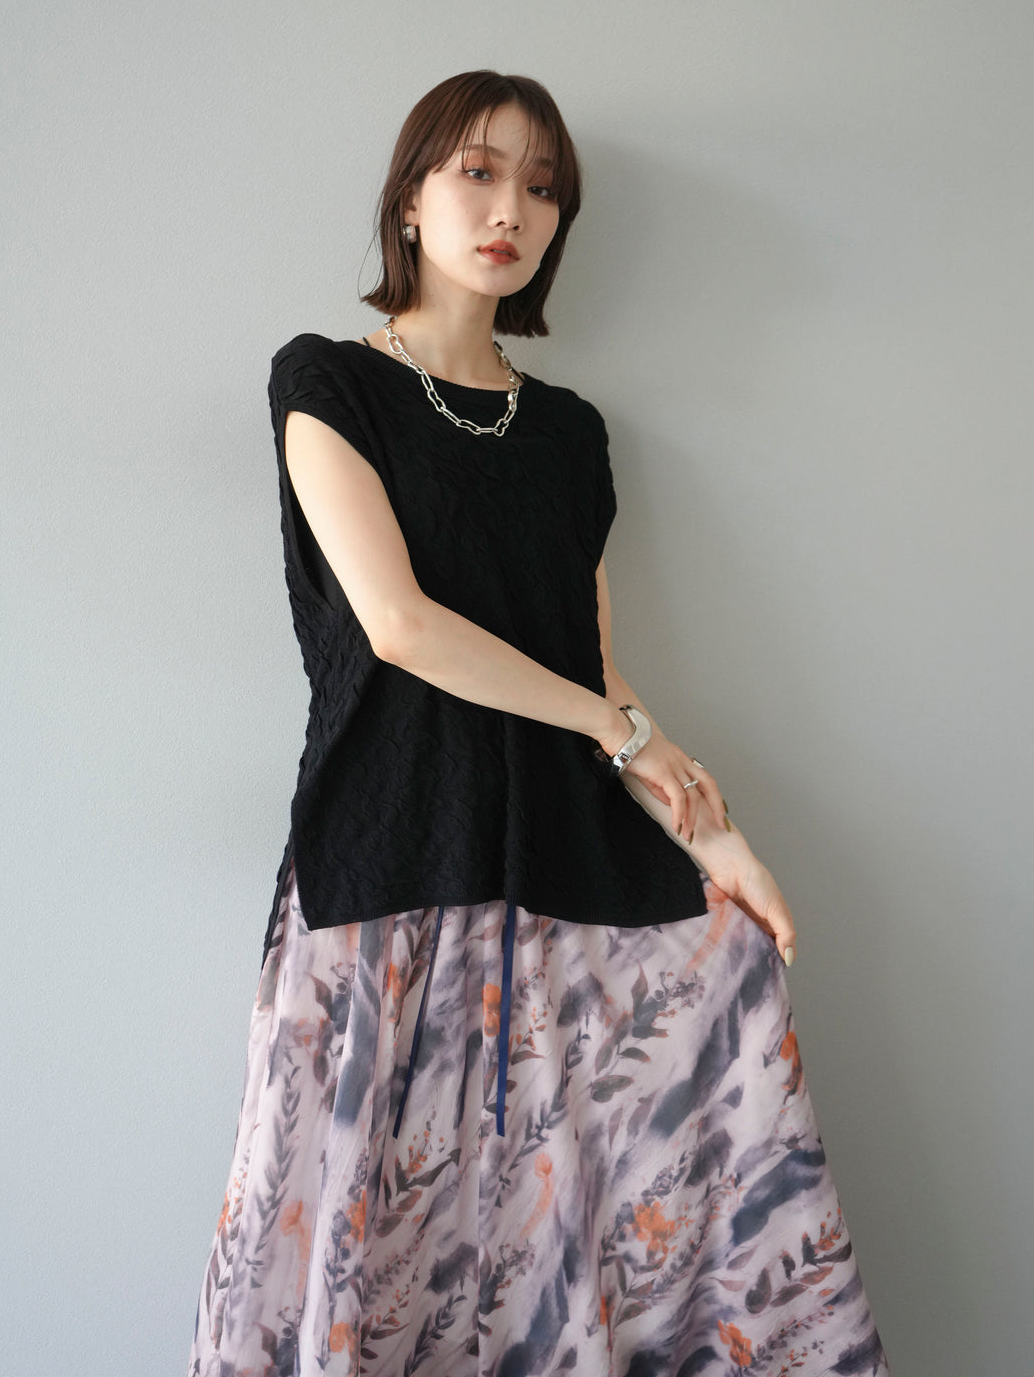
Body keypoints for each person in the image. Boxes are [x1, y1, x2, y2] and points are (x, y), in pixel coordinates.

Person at [188, 71, 888, 1377]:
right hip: (383, 880)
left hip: (566, 895)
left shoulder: (569, 434)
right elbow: (398, 625)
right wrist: (621, 733)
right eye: (479, 172)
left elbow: (599, 674)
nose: (512, 208)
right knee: (370, 1261)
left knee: (555, 1251)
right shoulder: (327, 382)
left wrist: (714, 837)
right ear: (409, 199)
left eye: (543, 187)